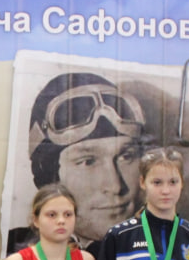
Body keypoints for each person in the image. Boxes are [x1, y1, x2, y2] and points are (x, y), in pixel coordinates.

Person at [25, 72, 153, 246]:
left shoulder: (166, 245)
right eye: (88, 161)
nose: (115, 186)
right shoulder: (17, 254)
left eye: (126, 156)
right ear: (49, 178)